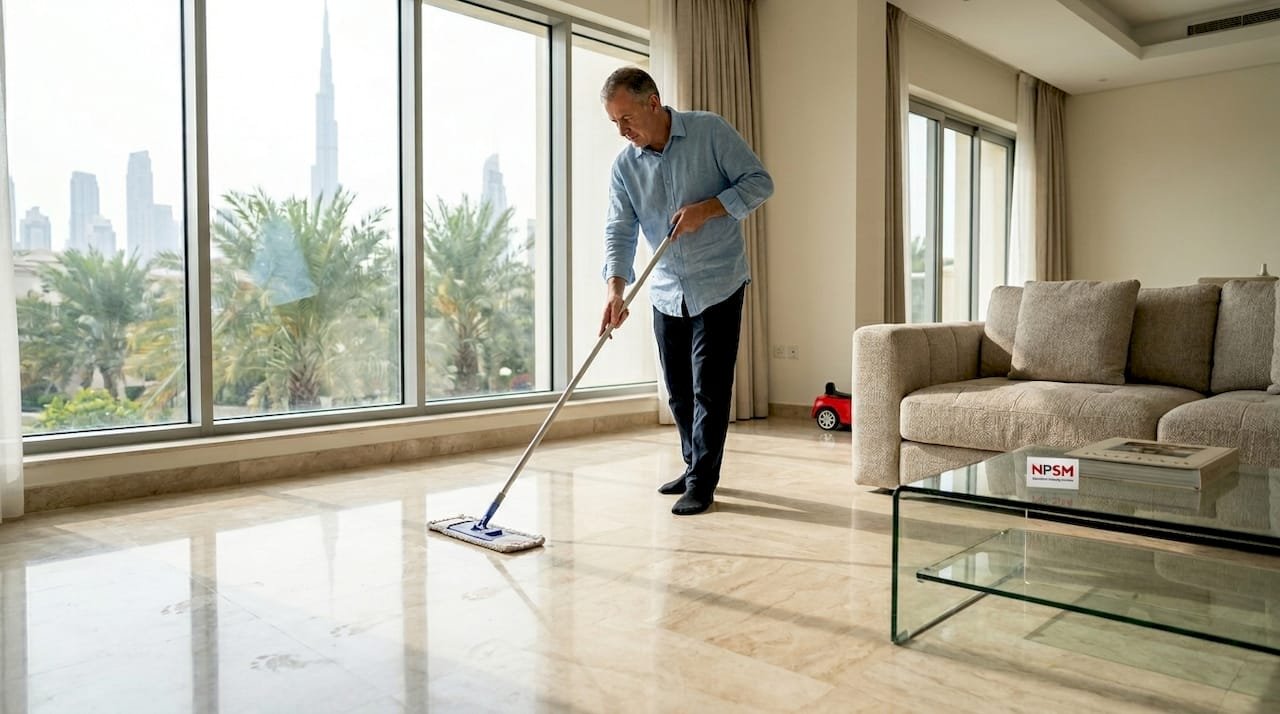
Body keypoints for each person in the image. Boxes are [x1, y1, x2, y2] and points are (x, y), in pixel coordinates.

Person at [598, 67, 773, 516]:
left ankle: (702, 481)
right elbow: (620, 229)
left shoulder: (709, 131)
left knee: (709, 390)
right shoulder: (625, 167)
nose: (623, 131)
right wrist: (616, 290)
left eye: (627, 119)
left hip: (719, 281)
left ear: (652, 102)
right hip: (664, 289)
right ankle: (693, 462)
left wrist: (709, 210)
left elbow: (759, 183)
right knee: (678, 391)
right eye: (615, 123)